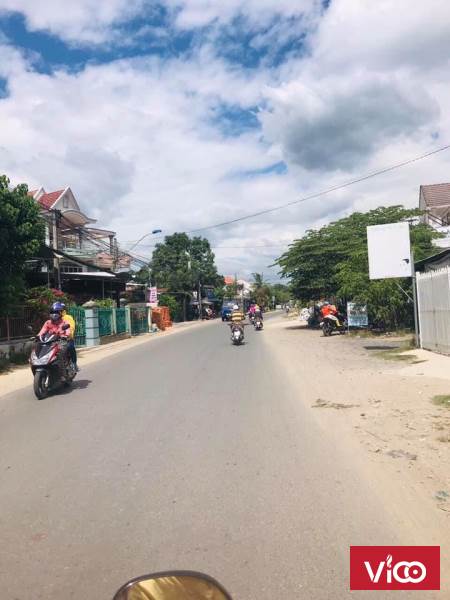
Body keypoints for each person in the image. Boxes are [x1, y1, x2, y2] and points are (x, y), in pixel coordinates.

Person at [38, 305, 72, 372]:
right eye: (52, 312)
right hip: (50, 342)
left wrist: (65, 336)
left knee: (63, 350)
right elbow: (42, 331)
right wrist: (38, 336)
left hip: (61, 341)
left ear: (60, 313)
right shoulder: (48, 322)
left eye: (56, 312)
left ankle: (65, 367)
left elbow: (68, 330)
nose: (54, 314)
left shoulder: (64, 322)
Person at [57, 302, 79, 372]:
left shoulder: (68, 317)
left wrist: (69, 334)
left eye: (59, 310)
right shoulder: (54, 318)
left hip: (67, 339)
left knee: (70, 347)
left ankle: (74, 364)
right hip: (56, 339)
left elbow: (71, 327)